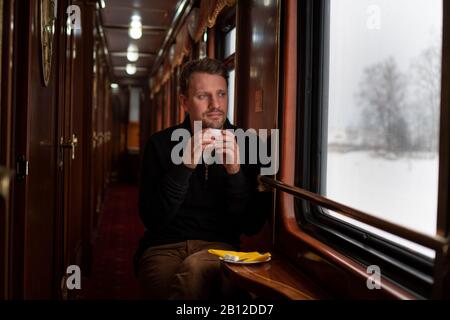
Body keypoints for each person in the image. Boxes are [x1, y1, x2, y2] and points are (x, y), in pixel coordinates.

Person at [135, 58, 267, 300]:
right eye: (202, 96)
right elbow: (152, 219)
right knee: (166, 287)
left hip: (220, 246)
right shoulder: (160, 143)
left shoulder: (249, 145)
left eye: (221, 94)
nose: (215, 104)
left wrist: (235, 171)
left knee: (195, 270)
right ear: (184, 102)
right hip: (163, 247)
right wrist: (185, 166)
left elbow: (251, 225)